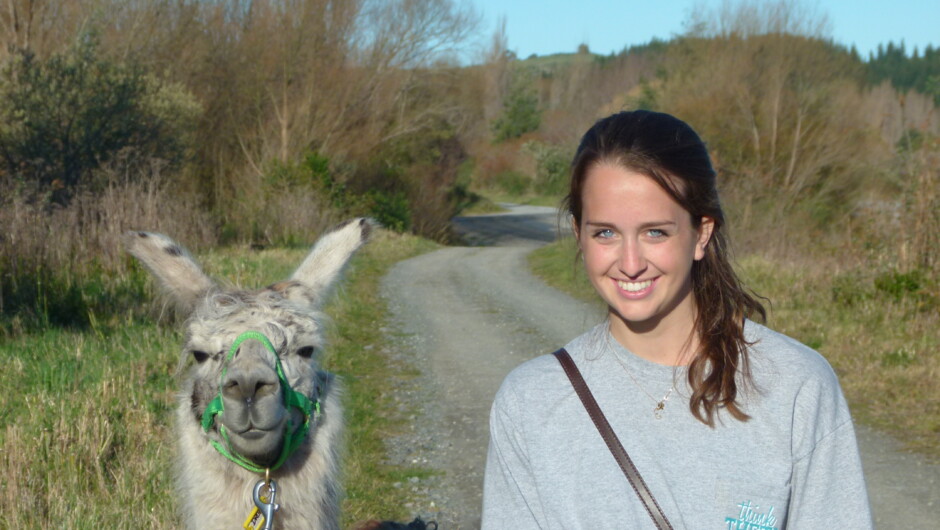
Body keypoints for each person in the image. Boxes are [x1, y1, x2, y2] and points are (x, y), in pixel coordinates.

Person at [481, 110, 872, 529]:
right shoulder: (530, 402)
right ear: (579, 233)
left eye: (655, 233)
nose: (630, 264)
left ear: (701, 234)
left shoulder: (796, 386)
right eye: (605, 233)